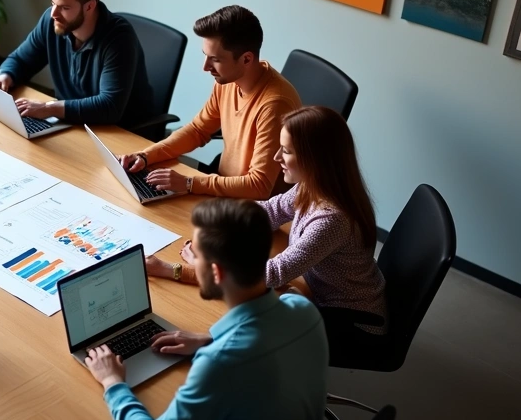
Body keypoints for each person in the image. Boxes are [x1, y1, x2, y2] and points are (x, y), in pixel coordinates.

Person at [85, 199, 327, 420]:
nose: (189, 259)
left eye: (195, 255)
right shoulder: (304, 310)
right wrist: (209, 339)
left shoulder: (219, 363)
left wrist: (112, 383)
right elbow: (263, 352)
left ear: (215, 272)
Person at [147, 106, 389, 349]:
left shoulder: (332, 219)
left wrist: (183, 269)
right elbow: (270, 211)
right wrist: (217, 220)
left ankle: (209, 344)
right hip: (317, 295)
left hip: (351, 322)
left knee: (241, 326)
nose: (276, 158)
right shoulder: (313, 186)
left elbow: (270, 275)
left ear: (313, 159)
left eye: (286, 151)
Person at [118, 6, 300, 199]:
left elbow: (259, 185)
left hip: (254, 210)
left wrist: (189, 183)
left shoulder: (274, 105)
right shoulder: (228, 80)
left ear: (246, 59)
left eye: (215, 59)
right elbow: (198, 130)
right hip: (223, 190)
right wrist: (146, 156)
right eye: (205, 55)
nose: (205, 67)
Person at [0, 0, 156, 128]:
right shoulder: (53, 22)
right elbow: (21, 59)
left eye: (64, 7)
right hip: (72, 122)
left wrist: (49, 108)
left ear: (89, 6)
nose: (54, 14)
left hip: (122, 133)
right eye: (52, 3)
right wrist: (5, 76)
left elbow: (109, 106)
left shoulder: (119, 39)